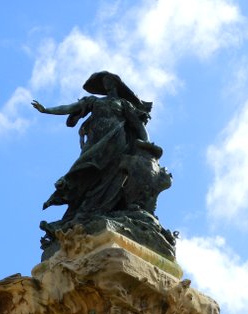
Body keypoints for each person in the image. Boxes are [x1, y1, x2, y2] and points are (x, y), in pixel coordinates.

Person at [32, 71, 163, 218]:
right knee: (83, 167)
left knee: (112, 172)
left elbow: (138, 125)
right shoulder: (94, 101)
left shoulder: (123, 104)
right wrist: (46, 110)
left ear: (115, 84)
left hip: (116, 138)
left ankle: (102, 207)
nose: (106, 84)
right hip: (95, 140)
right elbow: (71, 107)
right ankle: (77, 201)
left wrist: (146, 145)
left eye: (109, 80)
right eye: (104, 82)